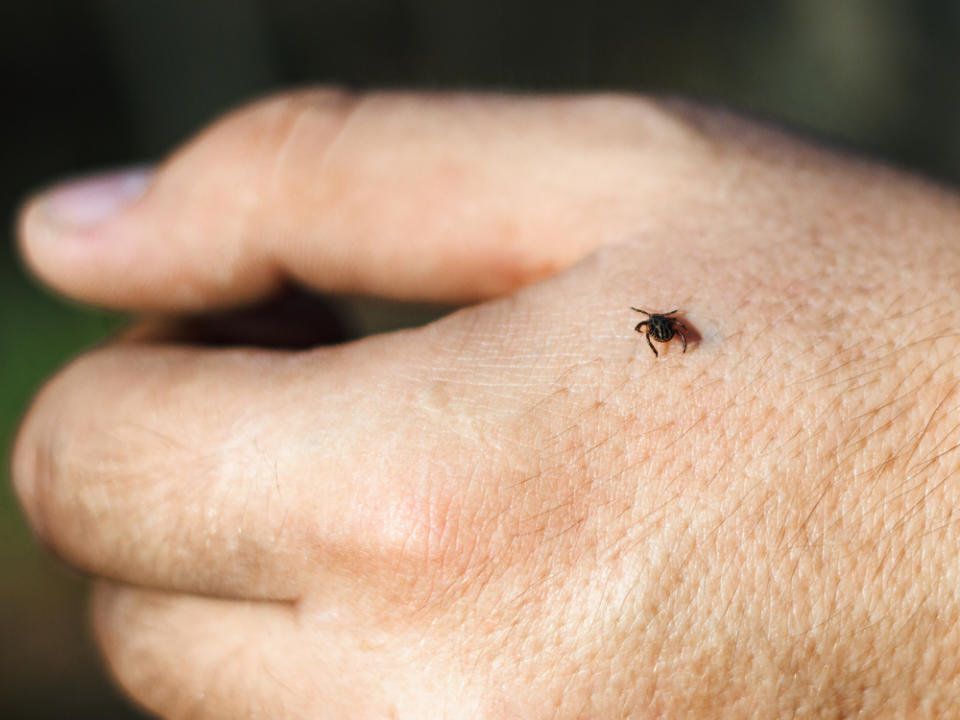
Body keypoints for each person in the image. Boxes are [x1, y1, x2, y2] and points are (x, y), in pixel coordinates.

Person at [13, 90, 960, 718]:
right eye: (663, 332)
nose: (662, 335)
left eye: (661, 331)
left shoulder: (672, 325)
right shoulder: (664, 325)